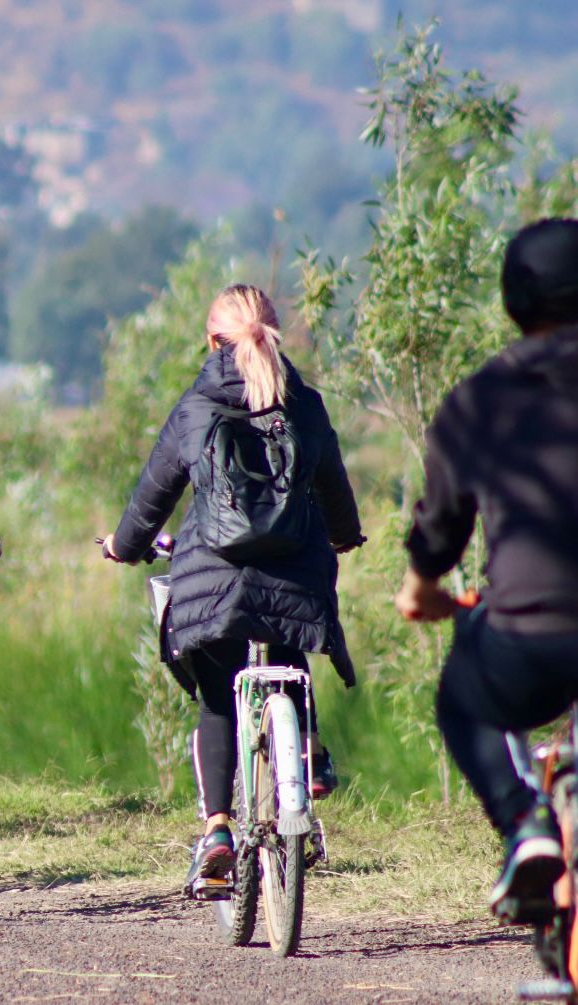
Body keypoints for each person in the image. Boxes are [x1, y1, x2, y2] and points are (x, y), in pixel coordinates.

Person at [101, 283, 362, 894]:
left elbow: (153, 496)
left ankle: (217, 830)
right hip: (295, 573)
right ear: (274, 333)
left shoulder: (196, 406)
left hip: (212, 579)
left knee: (219, 701)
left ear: (211, 339)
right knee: (290, 656)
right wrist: (345, 536)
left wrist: (124, 547)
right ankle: (306, 756)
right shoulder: (305, 405)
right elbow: (333, 485)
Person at [395, 218, 578, 922]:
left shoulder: (479, 399)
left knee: (463, 699)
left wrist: (423, 591)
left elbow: (439, 530)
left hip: (528, 632)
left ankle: (525, 823)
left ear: (513, 299)